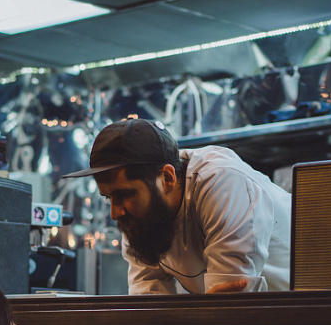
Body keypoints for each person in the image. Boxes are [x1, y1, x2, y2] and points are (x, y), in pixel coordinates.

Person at [63, 118, 291, 294]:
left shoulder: (223, 182)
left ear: (168, 178)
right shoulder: (142, 217)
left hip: (306, 310)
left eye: (124, 194)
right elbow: (148, 308)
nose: (115, 213)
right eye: (108, 197)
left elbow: (230, 305)